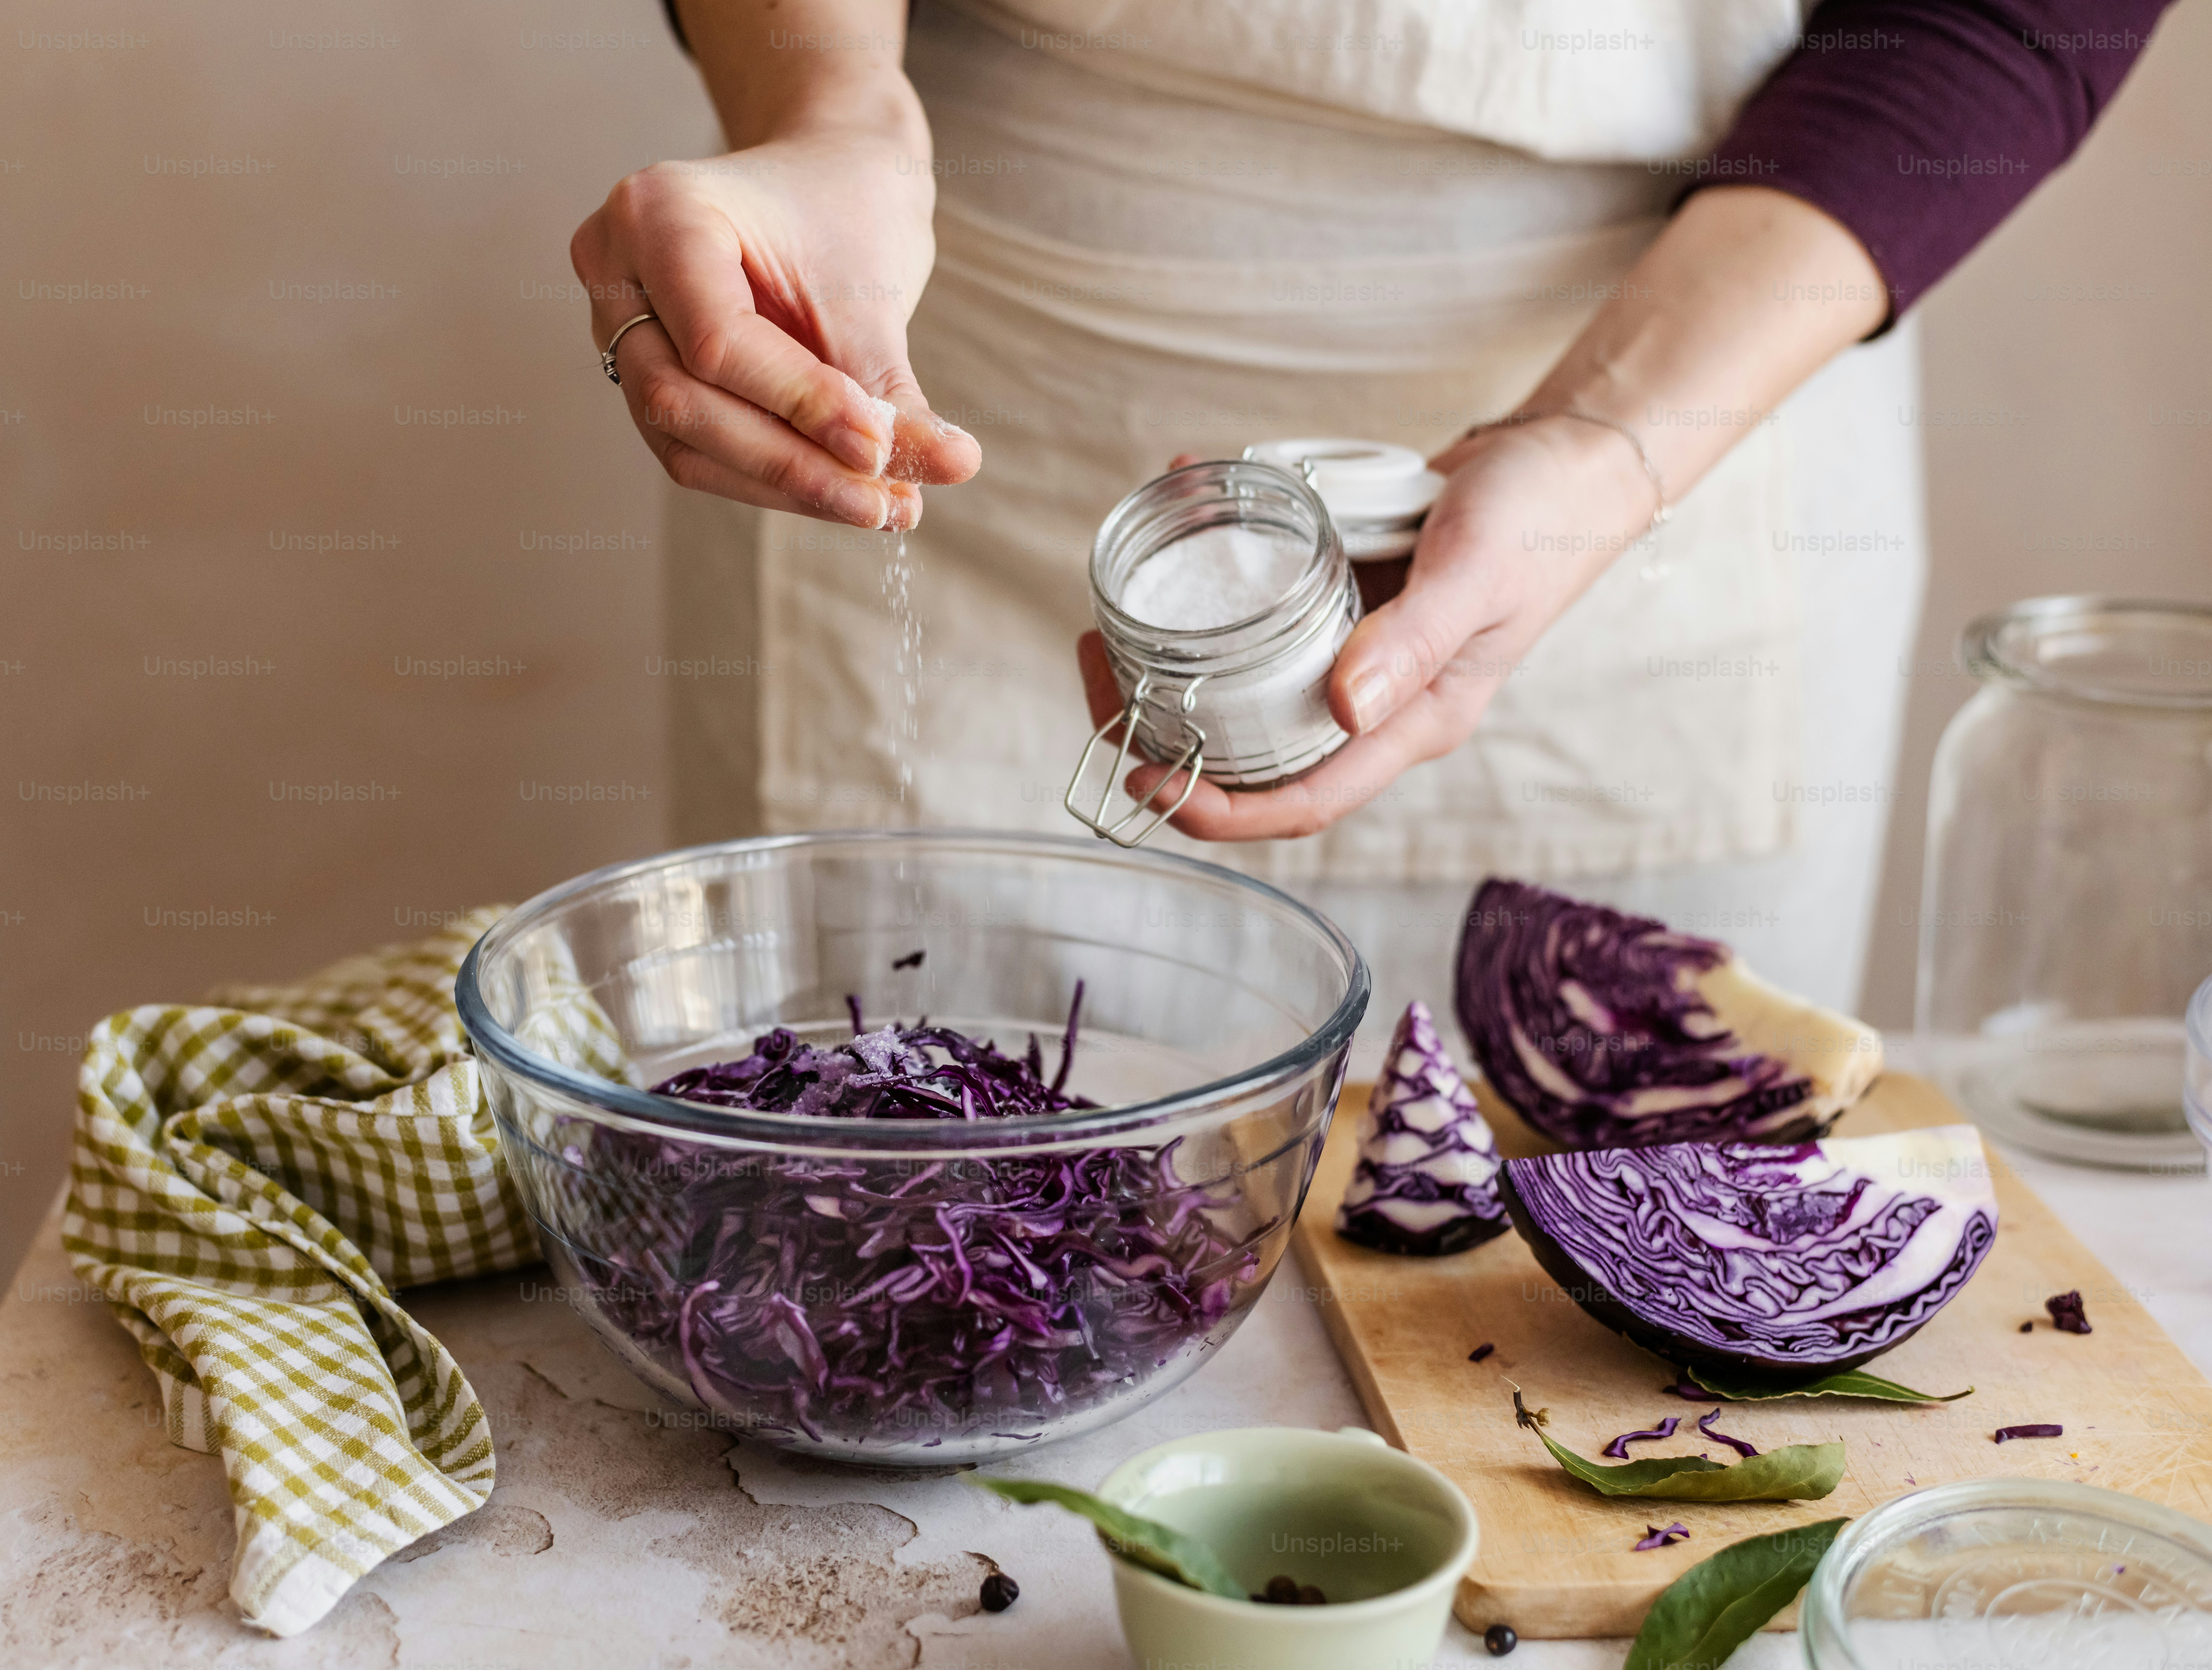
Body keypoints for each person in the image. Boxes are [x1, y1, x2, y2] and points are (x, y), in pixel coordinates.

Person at [572, 0, 2169, 1030]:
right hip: (958, 343)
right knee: (896, 1232)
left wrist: (1602, 440)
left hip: (1682, 371)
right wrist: (823, 112)